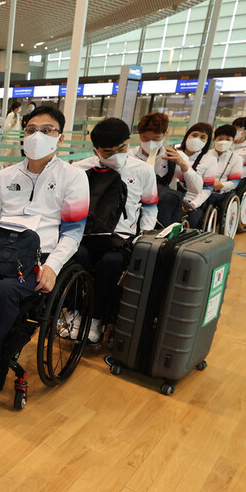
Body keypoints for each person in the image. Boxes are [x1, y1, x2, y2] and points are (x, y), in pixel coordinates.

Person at [0, 106, 89, 387]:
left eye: (47, 130)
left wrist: (52, 267)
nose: (37, 136)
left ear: (60, 138)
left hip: (38, 258)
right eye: (31, 130)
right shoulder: (5, 176)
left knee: (3, 291)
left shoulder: (73, 178)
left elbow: (73, 234)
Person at [72, 118, 158, 342]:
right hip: (86, 236)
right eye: (108, 152)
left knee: (111, 263)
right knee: (76, 255)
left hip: (121, 240)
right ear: (96, 151)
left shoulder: (143, 171)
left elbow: (149, 206)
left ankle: (95, 319)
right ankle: (75, 313)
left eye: (122, 148)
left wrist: (145, 235)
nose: (117, 155)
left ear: (129, 143)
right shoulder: (80, 169)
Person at [129, 113, 202, 227]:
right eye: (145, 138)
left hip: (164, 211)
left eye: (156, 138)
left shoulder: (174, 157)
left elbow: (196, 189)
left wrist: (183, 165)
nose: (151, 143)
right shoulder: (130, 156)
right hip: (134, 207)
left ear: (165, 133)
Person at [177, 123, 216, 228]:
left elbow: (207, 188)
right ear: (187, 136)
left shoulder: (210, 160)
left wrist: (193, 204)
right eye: (194, 135)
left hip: (191, 200)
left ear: (207, 142)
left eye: (202, 137)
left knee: (193, 219)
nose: (197, 139)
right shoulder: (175, 153)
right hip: (171, 196)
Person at [201, 125, 244, 209]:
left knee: (209, 198)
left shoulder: (236, 159)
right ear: (214, 140)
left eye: (228, 139)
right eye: (220, 139)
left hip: (221, 192)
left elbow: (234, 182)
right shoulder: (204, 154)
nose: (224, 142)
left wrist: (221, 185)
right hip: (201, 187)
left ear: (232, 141)